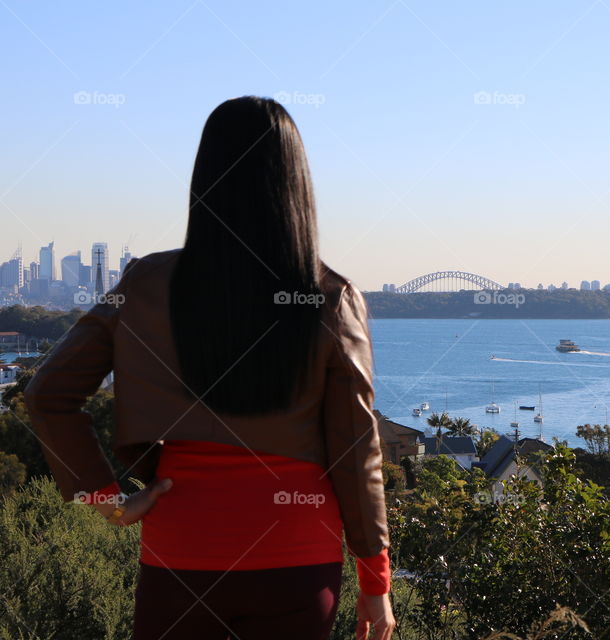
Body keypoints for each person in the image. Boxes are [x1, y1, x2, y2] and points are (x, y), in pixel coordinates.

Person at [24, 96, 394, 640]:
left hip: (179, 556)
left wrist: (106, 500)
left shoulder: (145, 284)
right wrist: (375, 581)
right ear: (297, 184)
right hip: (296, 561)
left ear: (204, 179)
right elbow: (356, 449)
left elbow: (48, 394)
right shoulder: (330, 299)